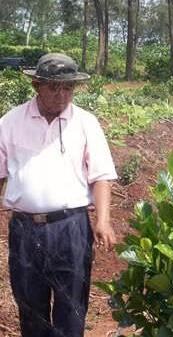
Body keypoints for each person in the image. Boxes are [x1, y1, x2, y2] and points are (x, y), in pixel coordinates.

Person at [0, 53, 118, 337]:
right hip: (25, 230)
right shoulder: (10, 122)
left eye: (68, 88)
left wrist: (103, 221)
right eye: (54, 87)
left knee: (72, 308)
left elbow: (101, 175)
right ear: (37, 86)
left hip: (71, 229)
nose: (61, 94)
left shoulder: (86, 123)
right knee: (30, 309)